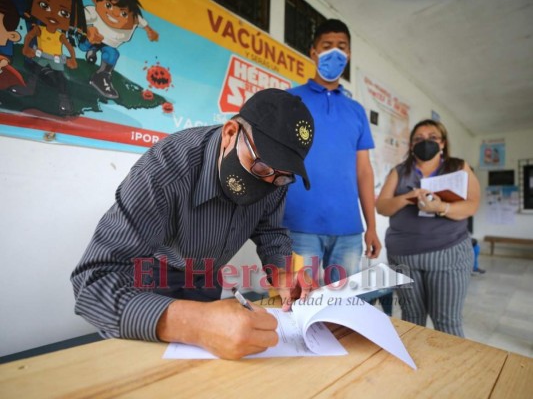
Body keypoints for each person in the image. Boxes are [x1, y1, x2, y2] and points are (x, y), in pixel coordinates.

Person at [71, 88, 315, 359]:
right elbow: (92, 285)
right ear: (230, 133)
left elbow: (269, 230)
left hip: (208, 278)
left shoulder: (275, 176)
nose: (269, 181)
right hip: (153, 279)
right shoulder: (163, 171)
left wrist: (280, 272)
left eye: (282, 177)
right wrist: (195, 323)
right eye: (260, 168)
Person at [283, 19, 381, 287]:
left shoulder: (356, 110)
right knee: (299, 307)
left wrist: (371, 226)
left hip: (349, 228)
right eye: (327, 46)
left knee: (343, 309)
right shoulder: (290, 100)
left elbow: (364, 170)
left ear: (348, 55)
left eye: (342, 47)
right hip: (299, 224)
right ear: (313, 52)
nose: (335, 53)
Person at [376, 119, 480, 337]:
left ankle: (451, 371)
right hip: (404, 258)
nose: (426, 143)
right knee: (412, 320)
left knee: (446, 321)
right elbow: (383, 206)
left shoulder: (458, 167)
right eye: (418, 139)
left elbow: (471, 205)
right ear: (412, 145)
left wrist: (440, 206)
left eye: (433, 138)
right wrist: (408, 197)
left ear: (442, 143)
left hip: (448, 255)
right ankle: (416, 368)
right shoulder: (400, 171)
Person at [80, 0, 159, 99]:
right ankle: (91, 50)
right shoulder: (93, 12)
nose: (114, 13)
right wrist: (86, 31)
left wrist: (149, 31)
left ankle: (101, 76)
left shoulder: (134, 18)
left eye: (123, 13)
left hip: (109, 45)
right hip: (94, 37)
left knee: (113, 54)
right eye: (108, 6)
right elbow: (77, 17)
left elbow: (142, 22)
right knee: (84, 44)